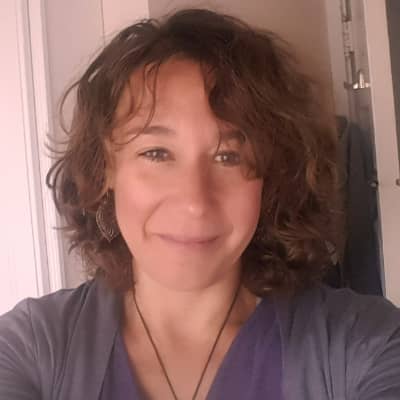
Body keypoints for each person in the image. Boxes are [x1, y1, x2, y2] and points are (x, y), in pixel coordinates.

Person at [0, 8, 399, 400]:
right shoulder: (30, 349)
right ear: (105, 170)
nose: (195, 202)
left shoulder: (365, 342)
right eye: (157, 153)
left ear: (271, 177)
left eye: (229, 157)